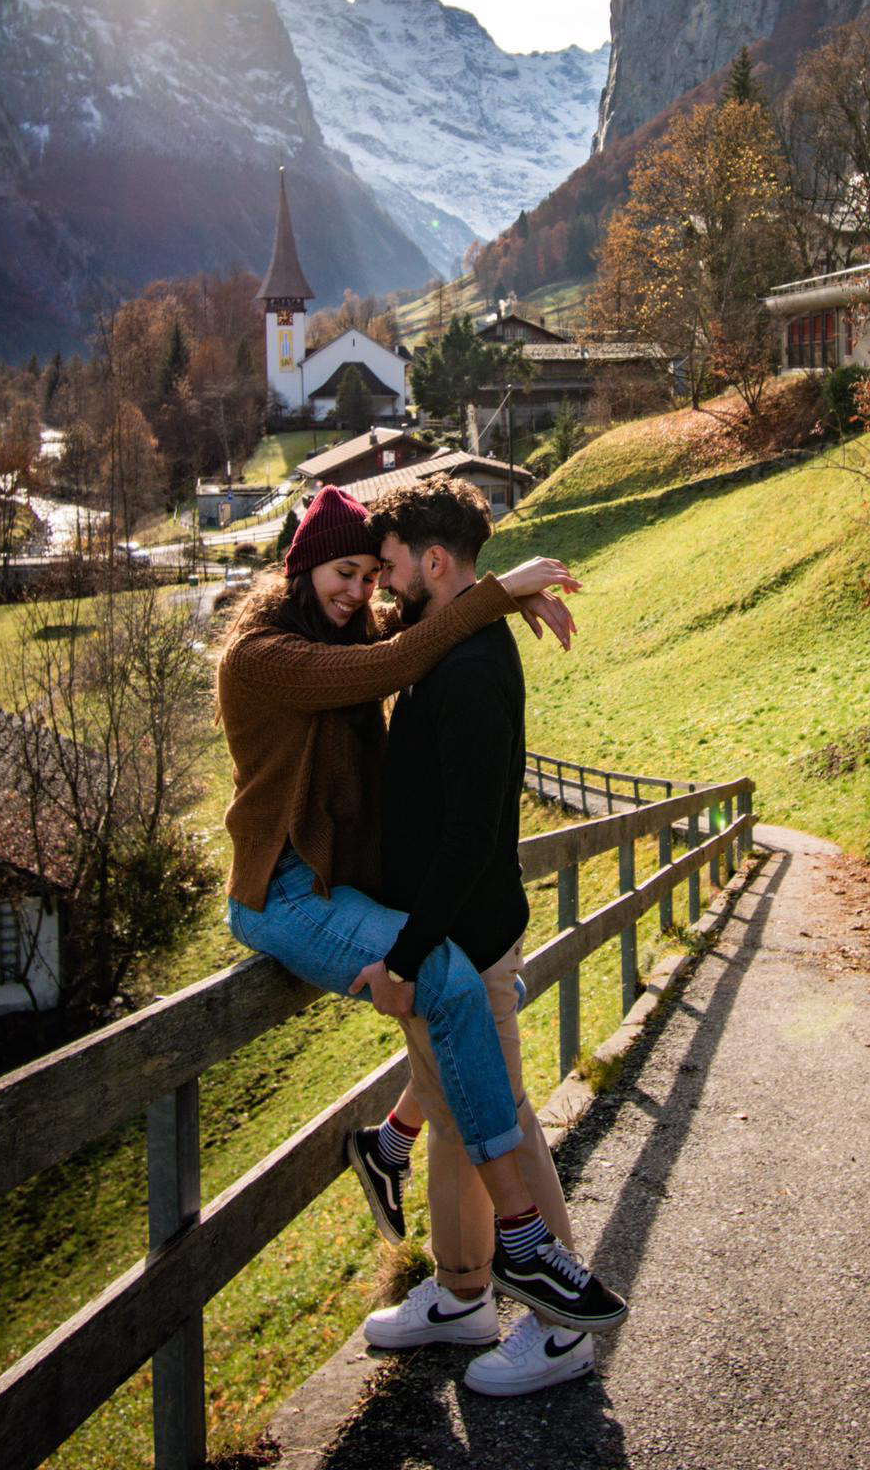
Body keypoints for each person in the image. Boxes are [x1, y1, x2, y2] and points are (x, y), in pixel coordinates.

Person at [216, 482, 624, 1339]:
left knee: (462, 1080)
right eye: (344, 571)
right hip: (285, 893)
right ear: (301, 567)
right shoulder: (262, 656)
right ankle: (503, 1254)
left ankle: (474, 1274)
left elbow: (417, 629)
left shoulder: (355, 632)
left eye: (371, 573)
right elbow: (397, 658)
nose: (361, 591)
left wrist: (494, 598)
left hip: (357, 896)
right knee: (445, 998)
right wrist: (501, 592)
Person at [352, 473, 625, 1398]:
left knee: (500, 1123)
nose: (384, 586)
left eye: (391, 568)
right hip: (448, 935)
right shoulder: (455, 633)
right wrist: (504, 588)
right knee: (465, 1117)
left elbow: (473, 831)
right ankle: (464, 1291)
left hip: (461, 936)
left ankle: (560, 1324)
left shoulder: (467, 667)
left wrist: (404, 949)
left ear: (434, 564)